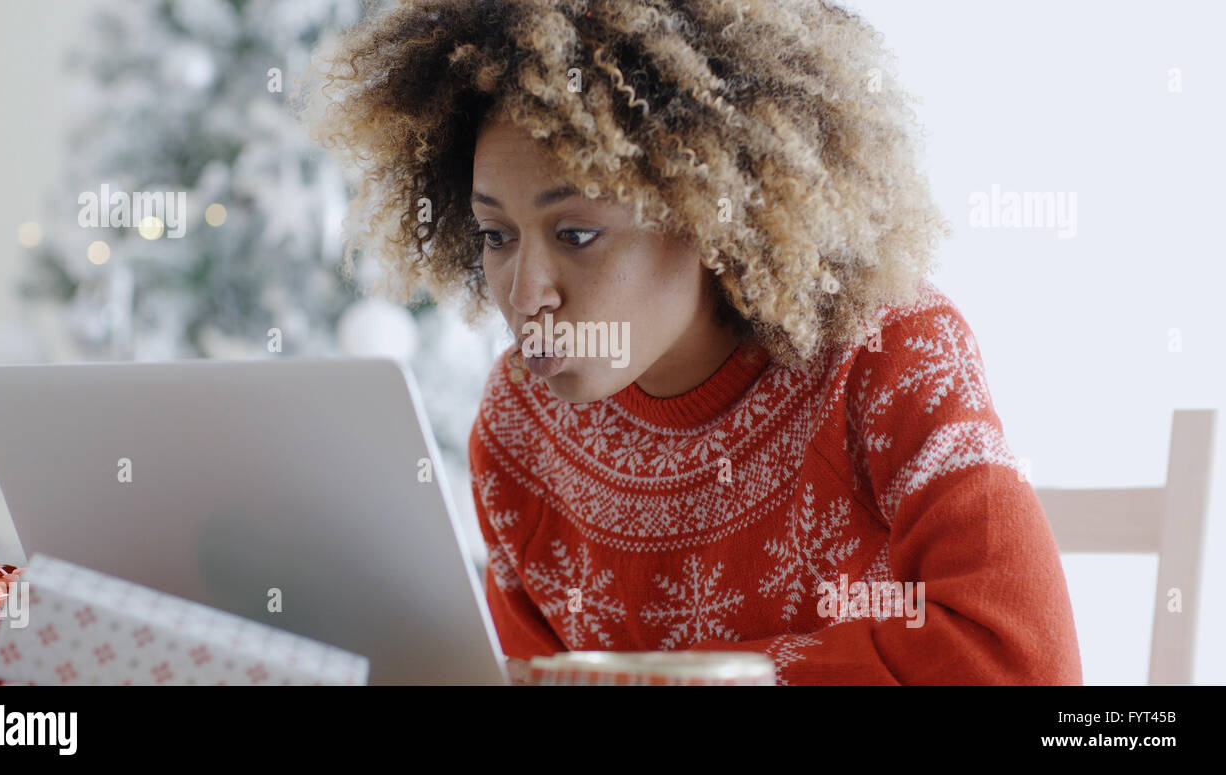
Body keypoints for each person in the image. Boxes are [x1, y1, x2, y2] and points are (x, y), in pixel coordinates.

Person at [307, 0, 1083, 685]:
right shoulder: (518, 429)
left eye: (576, 232)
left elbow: (1021, 664)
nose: (523, 292)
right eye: (496, 235)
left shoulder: (890, 352)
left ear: (709, 215)